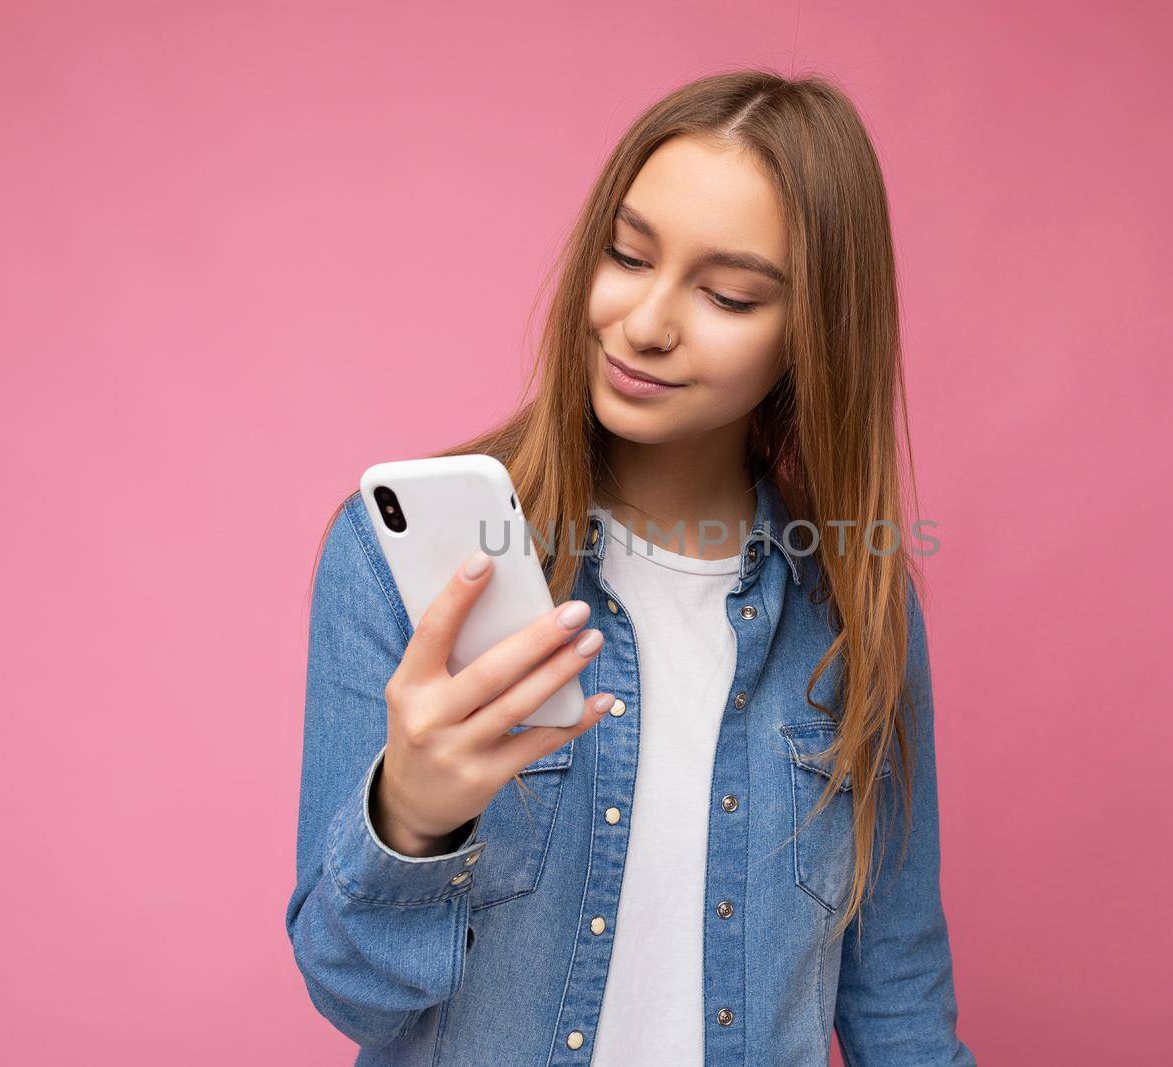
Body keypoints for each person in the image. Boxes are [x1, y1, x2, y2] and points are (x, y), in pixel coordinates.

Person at [286, 68, 977, 1066]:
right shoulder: (401, 560)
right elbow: (349, 993)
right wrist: (412, 817)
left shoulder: (857, 611)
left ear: (811, 336)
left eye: (728, 293)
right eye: (627, 254)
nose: (646, 322)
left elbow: (899, 1002)